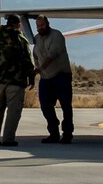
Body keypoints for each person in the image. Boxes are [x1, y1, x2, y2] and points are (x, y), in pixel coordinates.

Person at [0, 15, 34, 147]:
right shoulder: (20, 39)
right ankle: (8, 139)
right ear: (18, 24)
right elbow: (28, 61)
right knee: (13, 111)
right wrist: (31, 77)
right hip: (15, 81)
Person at [32, 16, 75, 144]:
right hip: (46, 77)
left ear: (48, 24)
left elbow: (52, 55)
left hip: (61, 75)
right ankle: (53, 132)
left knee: (66, 106)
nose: (40, 28)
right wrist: (36, 70)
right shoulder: (37, 39)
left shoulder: (57, 36)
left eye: (42, 25)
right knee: (45, 105)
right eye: (38, 26)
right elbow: (35, 55)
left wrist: (40, 68)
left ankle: (67, 133)